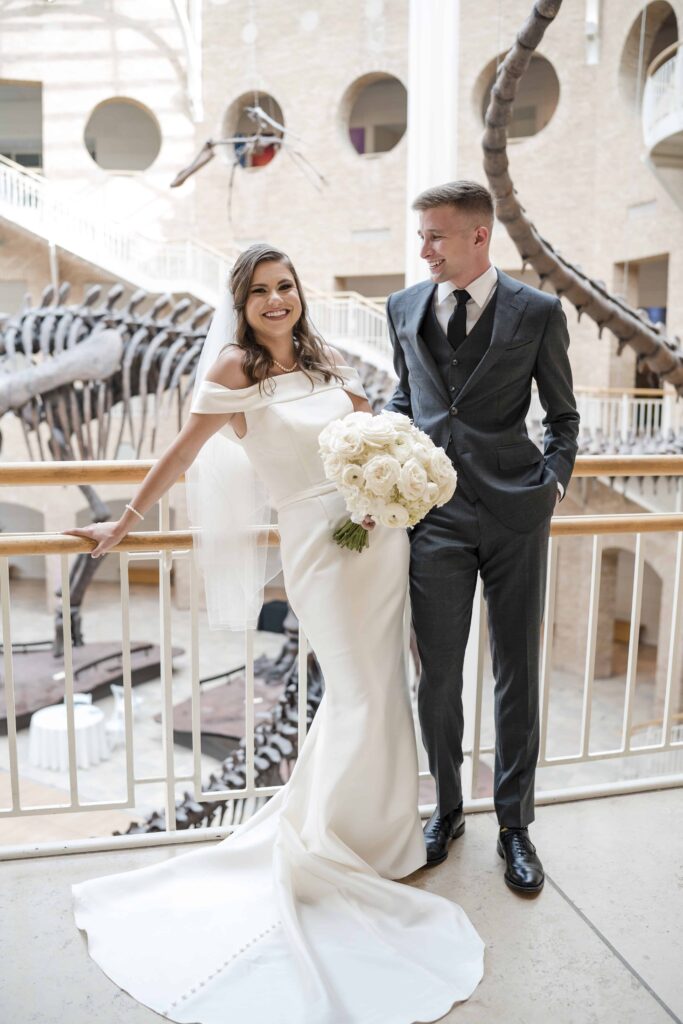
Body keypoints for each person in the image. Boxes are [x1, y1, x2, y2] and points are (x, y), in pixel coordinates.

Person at [64, 244, 484, 1024]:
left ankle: (377, 838)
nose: (275, 300)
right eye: (259, 291)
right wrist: (125, 519)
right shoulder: (231, 372)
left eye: (285, 286)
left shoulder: (326, 364)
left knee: (382, 684)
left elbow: (379, 432)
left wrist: (396, 484)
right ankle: (328, 842)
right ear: (242, 302)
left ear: (299, 292)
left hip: (375, 536)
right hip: (318, 549)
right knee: (357, 690)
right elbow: (182, 454)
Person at [385, 182, 579, 893]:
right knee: (435, 675)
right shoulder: (402, 307)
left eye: (435, 236)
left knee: (516, 672)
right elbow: (407, 396)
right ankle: (446, 807)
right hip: (432, 517)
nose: (423, 249)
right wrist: (385, 449)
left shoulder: (537, 312)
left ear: (477, 237)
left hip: (514, 516)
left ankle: (515, 826)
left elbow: (563, 418)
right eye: (421, 236)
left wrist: (549, 485)